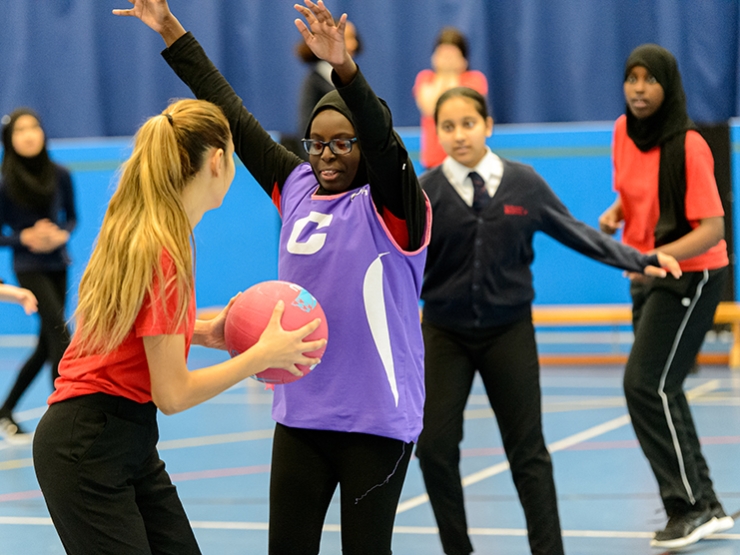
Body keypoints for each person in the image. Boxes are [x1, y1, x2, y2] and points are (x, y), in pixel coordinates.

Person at [115, 1, 430, 554]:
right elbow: (231, 111)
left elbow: (386, 143)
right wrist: (171, 32)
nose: (326, 155)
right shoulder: (298, 186)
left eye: (342, 142)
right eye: (316, 142)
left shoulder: (397, 208)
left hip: (376, 421)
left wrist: (345, 69)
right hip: (302, 415)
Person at [32, 98, 325, 555]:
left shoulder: (148, 228)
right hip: (87, 446)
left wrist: (210, 332)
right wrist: (259, 358)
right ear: (218, 160)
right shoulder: (162, 248)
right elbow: (174, 394)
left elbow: (136, 334)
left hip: (125, 440)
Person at [416, 86, 682, 555]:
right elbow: (399, 262)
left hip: (509, 333)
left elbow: (578, 232)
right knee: (434, 448)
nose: (459, 135)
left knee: (529, 454)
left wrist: (640, 260)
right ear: (437, 132)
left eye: (469, 123)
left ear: (488, 125)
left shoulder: (525, 183)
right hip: (443, 334)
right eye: (449, 126)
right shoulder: (425, 193)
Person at [598, 43, 734, 550]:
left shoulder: (690, 144)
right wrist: (618, 214)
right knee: (664, 387)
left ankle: (688, 506)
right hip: (649, 273)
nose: (637, 88)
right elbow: (635, 193)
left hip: (692, 274)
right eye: (631, 78)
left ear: (667, 85)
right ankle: (706, 504)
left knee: (644, 384)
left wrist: (652, 255)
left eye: (648, 79)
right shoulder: (621, 132)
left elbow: (713, 227)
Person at [0, 108, 77, 440]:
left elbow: (71, 217)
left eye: (34, 127)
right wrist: (24, 238)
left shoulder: (60, 173)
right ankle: (65, 420)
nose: (29, 134)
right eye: (20, 130)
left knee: (47, 345)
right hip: (28, 268)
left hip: (58, 264)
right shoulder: (4, 182)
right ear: (10, 139)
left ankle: (5, 410)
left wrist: (60, 234)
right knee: (61, 336)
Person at [413, 27, 488, 170]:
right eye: (442, 55)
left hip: (468, 160)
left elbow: (460, 108)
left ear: (463, 58)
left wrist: (452, 75)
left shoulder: (475, 80)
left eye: (452, 55)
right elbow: (429, 108)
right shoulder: (425, 78)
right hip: (433, 162)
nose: (447, 60)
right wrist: (443, 76)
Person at [295, 18, 360, 140]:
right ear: (329, 42)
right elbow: (306, 128)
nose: (354, 44)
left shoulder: (354, 80)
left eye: (354, 38)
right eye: (347, 38)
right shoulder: (314, 82)